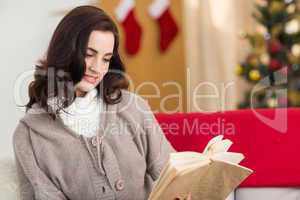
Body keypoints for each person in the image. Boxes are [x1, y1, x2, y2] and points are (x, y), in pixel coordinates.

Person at [12, 5, 191, 200]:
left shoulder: (133, 108)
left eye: (106, 59)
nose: (98, 68)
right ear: (65, 51)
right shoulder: (28, 136)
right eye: (89, 55)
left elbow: (172, 172)